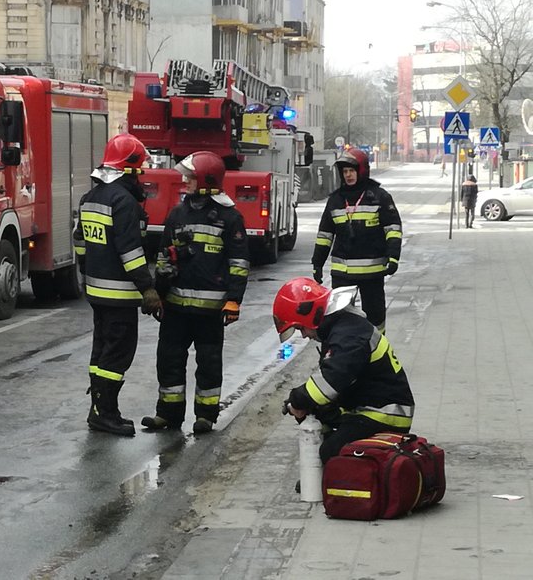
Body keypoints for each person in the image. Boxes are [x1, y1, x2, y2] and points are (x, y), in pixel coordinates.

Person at [141, 151, 249, 434]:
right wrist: (159, 294)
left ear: (206, 180)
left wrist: (234, 301)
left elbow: (238, 263)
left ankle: (205, 416)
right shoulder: (178, 213)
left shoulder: (229, 217)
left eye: (190, 176)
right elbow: (165, 256)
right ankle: (168, 414)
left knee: (209, 364)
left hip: (211, 311)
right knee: (169, 361)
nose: (185, 181)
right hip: (176, 307)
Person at [73, 133, 162, 437]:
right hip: (120, 295)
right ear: (131, 169)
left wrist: (88, 270)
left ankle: (99, 409)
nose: (143, 177)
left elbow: (79, 241)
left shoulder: (90, 197)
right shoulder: (124, 201)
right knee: (117, 355)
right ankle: (105, 414)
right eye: (141, 171)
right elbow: (131, 252)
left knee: (101, 353)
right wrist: (147, 289)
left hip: (96, 292)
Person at [272, 277, 415, 464]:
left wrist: (297, 399)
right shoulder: (341, 327)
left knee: (331, 450)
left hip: (385, 415)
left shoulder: (349, 335)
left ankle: (337, 479)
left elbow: (328, 385)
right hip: (366, 405)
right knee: (315, 418)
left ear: (311, 314)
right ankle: (326, 478)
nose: (304, 335)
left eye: (300, 328)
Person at [312, 148, 402, 333]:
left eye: (351, 171)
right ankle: (343, 352)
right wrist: (317, 263)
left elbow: (393, 229)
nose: (348, 175)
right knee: (341, 317)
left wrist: (393, 257)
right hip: (342, 274)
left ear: (361, 170)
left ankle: (378, 351)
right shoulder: (336, 200)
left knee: (375, 317)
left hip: (372, 273)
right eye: (345, 172)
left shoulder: (379, 197)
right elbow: (325, 235)